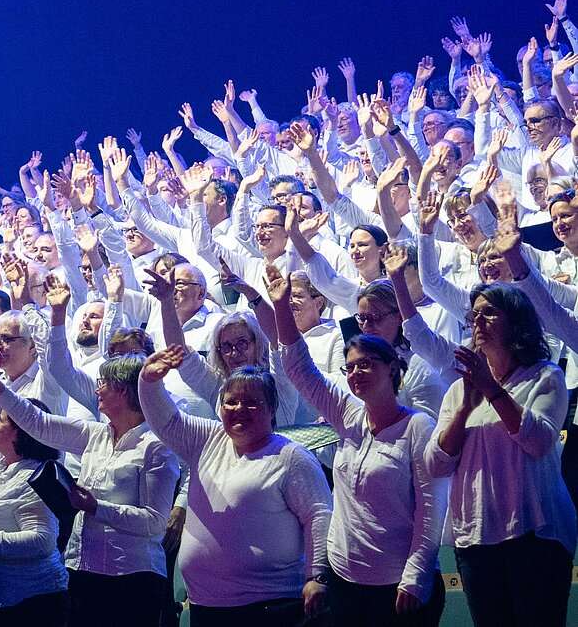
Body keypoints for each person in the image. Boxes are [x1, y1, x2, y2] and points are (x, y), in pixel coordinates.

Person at [268, 264, 447, 626]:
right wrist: (281, 308)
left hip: (399, 586)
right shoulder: (348, 414)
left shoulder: (418, 425)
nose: (356, 373)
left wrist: (414, 577)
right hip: (346, 580)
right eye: (350, 367)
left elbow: (431, 508)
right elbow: (300, 369)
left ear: (392, 369)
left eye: (366, 364)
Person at [0, 343, 180, 627]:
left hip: (132, 578)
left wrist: (96, 507)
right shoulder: (95, 434)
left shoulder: (156, 447)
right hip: (82, 569)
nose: (97, 390)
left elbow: (155, 523)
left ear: (126, 391)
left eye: (104, 383)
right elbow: (37, 422)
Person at [136, 344, 332, 627]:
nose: (239, 409)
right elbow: (165, 421)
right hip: (208, 605)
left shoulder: (291, 457)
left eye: (252, 402)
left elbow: (319, 515)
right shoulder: (206, 438)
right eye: (231, 402)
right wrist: (149, 382)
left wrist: (317, 576)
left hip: (269, 606)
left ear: (271, 409)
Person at [424, 281, 576, 627]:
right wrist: (464, 409)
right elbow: (436, 463)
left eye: (489, 312)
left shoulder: (544, 377)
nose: (478, 321)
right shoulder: (458, 390)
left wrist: (491, 389)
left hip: (535, 537)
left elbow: (537, 441)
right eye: (473, 314)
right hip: (477, 540)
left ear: (517, 321)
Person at [0, 379, 68, 625]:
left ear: (20, 431)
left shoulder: (34, 479)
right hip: (3, 598)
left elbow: (42, 540)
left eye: (2, 421)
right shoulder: (5, 469)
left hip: (34, 604)